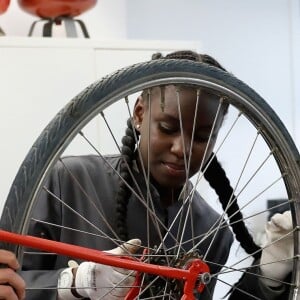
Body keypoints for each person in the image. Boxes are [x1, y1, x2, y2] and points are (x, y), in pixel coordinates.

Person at [8, 51, 293, 299]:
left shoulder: (212, 231)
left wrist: (269, 275)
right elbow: (8, 281)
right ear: (140, 113)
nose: (181, 149)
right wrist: (76, 283)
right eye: (168, 128)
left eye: (202, 137)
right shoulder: (68, 181)